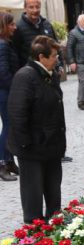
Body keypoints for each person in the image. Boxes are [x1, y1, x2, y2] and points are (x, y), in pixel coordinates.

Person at [8, 35, 66, 223]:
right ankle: (35, 229)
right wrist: (26, 144)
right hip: (32, 147)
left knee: (53, 187)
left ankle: (54, 221)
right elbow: (17, 113)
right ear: (41, 57)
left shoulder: (51, 74)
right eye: (54, 56)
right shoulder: (25, 76)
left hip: (51, 144)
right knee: (33, 191)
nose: (57, 59)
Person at [13, 0, 71, 163]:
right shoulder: (19, 27)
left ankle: (59, 149)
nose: (35, 10)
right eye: (31, 7)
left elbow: (54, 47)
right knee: (39, 114)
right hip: (31, 77)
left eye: (37, 6)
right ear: (25, 8)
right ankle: (40, 149)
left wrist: (58, 65)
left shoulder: (46, 24)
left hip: (50, 75)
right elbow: (16, 53)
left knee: (56, 110)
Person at [0, 12, 19, 182]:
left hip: (5, 91)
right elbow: (3, 73)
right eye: (11, 24)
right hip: (5, 92)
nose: (15, 27)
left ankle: (9, 161)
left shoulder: (6, 43)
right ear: (4, 26)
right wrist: (16, 88)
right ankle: (2, 163)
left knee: (10, 126)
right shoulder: (2, 45)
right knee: (8, 126)